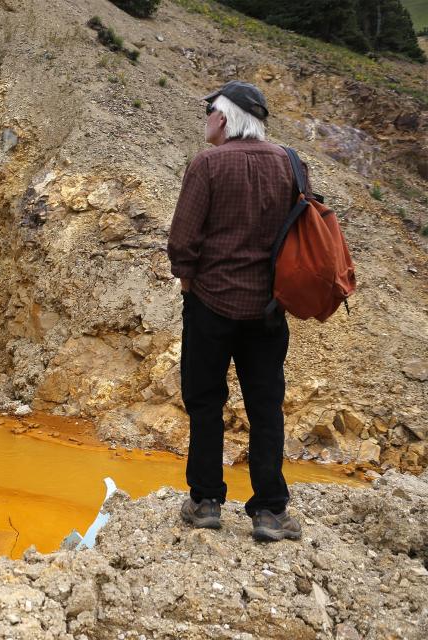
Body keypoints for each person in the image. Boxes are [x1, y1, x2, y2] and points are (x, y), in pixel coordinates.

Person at [167, 80, 309, 542]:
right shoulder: (292, 163)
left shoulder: (207, 164)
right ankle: (269, 511)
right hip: (268, 311)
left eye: (209, 111)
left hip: (210, 305)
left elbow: (182, 242)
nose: (205, 118)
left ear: (224, 118)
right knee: (266, 407)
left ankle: (206, 501)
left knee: (206, 402)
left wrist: (190, 280)